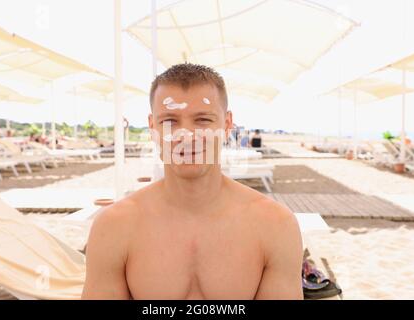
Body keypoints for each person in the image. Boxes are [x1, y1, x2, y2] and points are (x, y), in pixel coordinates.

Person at [82, 63, 303, 300]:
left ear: (227, 124)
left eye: (202, 120)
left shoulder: (275, 225)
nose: (186, 136)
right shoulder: (115, 227)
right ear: (153, 126)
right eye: (170, 121)